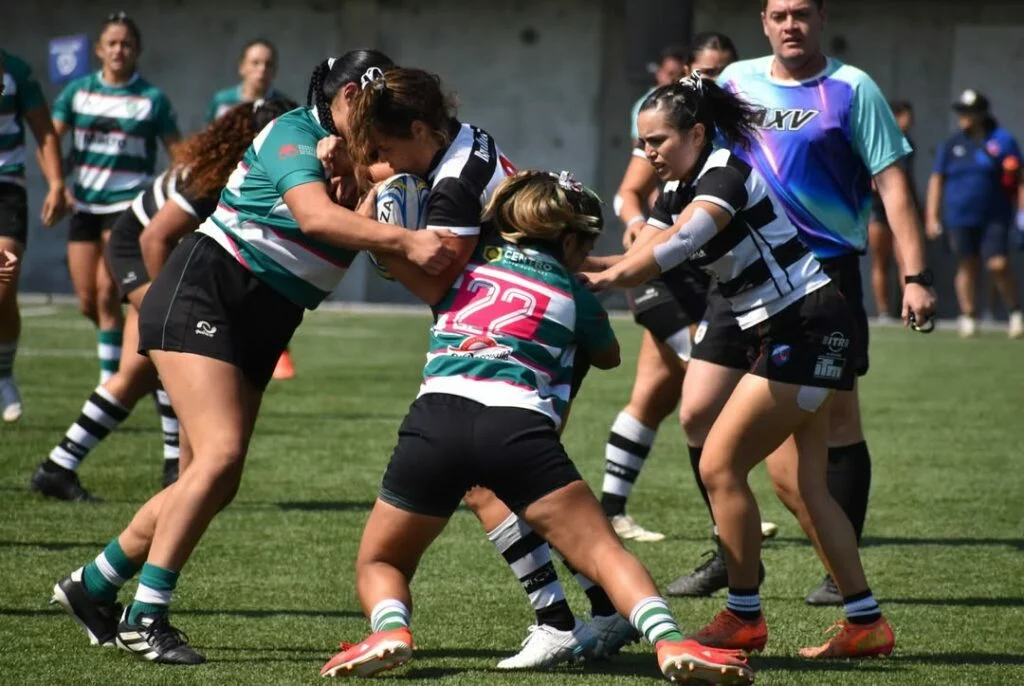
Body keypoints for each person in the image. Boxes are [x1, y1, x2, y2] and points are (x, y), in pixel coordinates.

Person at [48, 50, 457, 665]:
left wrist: (370, 187)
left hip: (266, 316)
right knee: (218, 458)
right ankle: (146, 615)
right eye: (376, 108)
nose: (384, 127)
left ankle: (93, 585)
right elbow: (315, 219)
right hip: (209, 290)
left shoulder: (358, 151)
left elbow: (374, 207)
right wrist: (406, 238)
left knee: (215, 478)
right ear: (348, 98)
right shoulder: (292, 133)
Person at [319, 170, 753, 684]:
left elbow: (399, 258)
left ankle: (390, 629)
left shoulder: (464, 260)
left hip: (436, 420)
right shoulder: (575, 290)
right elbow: (609, 355)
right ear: (569, 242)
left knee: (383, 560)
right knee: (604, 552)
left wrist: (372, 218)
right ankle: (670, 640)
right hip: (518, 424)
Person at [332, 65, 638, 670]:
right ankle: (597, 608)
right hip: (532, 323)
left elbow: (438, 283)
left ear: (421, 130)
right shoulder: (462, 140)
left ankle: (566, 618)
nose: (384, 162)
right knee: (505, 487)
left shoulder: (450, 189)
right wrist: (371, 173)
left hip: (524, 339)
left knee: (508, 485)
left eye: (387, 149)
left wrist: (378, 240)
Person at [585, 72, 896, 660]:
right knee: (802, 485)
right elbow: (640, 251)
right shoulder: (676, 189)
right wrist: (569, 263)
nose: (648, 153)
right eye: (642, 142)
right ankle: (866, 622)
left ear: (696, 134)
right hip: (790, 329)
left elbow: (676, 247)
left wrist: (601, 280)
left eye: (658, 140)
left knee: (720, 465)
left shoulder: (724, 173)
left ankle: (744, 616)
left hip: (806, 327)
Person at [667, 0, 937, 607]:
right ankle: (732, 552)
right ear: (763, 22)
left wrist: (915, 275)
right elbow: (697, 154)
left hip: (822, 278)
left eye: (803, 13)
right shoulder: (735, 82)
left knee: (838, 423)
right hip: (742, 272)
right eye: (780, 14)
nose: (791, 24)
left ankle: (840, 572)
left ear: (822, 18)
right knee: (697, 412)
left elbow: (893, 185)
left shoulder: (853, 89)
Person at [29, 99, 296, 502]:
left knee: (155, 366)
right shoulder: (220, 175)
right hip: (136, 250)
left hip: (155, 251)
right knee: (160, 360)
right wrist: (168, 304)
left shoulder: (238, 166)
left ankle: (72, 466)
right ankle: (74, 466)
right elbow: (154, 237)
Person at [605, 33, 774, 544]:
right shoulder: (669, 125)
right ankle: (727, 514)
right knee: (710, 389)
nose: (712, 79)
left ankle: (613, 509)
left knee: (655, 397)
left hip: (704, 273)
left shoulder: (730, 137)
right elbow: (627, 193)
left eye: (723, 71)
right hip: (663, 273)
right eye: (704, 71)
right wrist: (638, 227)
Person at [51, 12, 180, 385]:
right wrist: (58, 184)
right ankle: (126, 355)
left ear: (137, 50)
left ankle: (110, 383)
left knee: (108, 290)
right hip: (84, 205)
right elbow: (49, 140)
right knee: (88, 301)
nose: (119, 50)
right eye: (112, 43)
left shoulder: (151, 99)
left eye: (126, 43)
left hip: (126, 206)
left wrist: (173, 200)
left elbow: (179, 153)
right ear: (98, 49)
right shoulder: (77, 93)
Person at [0, 49, 67, 422]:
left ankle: (3, 373)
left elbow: (43, 130)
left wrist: (56, 183)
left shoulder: (16, 70)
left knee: (3, 282)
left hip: (6, 189)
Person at [926, 88, 1023, 339]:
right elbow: (937, 180)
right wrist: (932, 216)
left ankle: (1014, 312)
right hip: (960, 216)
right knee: (966, 264)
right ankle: (968, 315)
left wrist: (1022, 212)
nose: (963, 116)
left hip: (995, 215)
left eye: (968, 111)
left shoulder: (1003, 140)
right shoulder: (952, 144)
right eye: (961, 111)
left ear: (981, 113)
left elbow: (1019, 177)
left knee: (998, 264)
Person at [868, 100, 915, 322]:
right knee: (880, 260)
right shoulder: (874, 139)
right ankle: (884, 311)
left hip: (902, 208)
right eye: (906, 117)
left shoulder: (908, 144)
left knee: (905, 258)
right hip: (878, 209)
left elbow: (908, 180)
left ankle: (910, 307)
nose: (910, 122)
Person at [205, 39, 288, 122]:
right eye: (255, 63)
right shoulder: (223, 101)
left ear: (275, 70)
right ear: (242, 67)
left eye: (268, 64)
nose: (262, 69)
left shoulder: (283, 107)